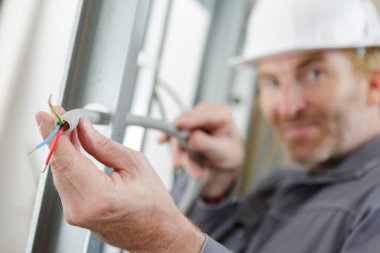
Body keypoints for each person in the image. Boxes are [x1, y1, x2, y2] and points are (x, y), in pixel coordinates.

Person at [35, 0, 380, 252]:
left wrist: (167, 239)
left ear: (374, 84)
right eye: (271, 81)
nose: (288, 107)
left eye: (314, 73)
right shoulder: (279, 189)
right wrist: (213, 192)